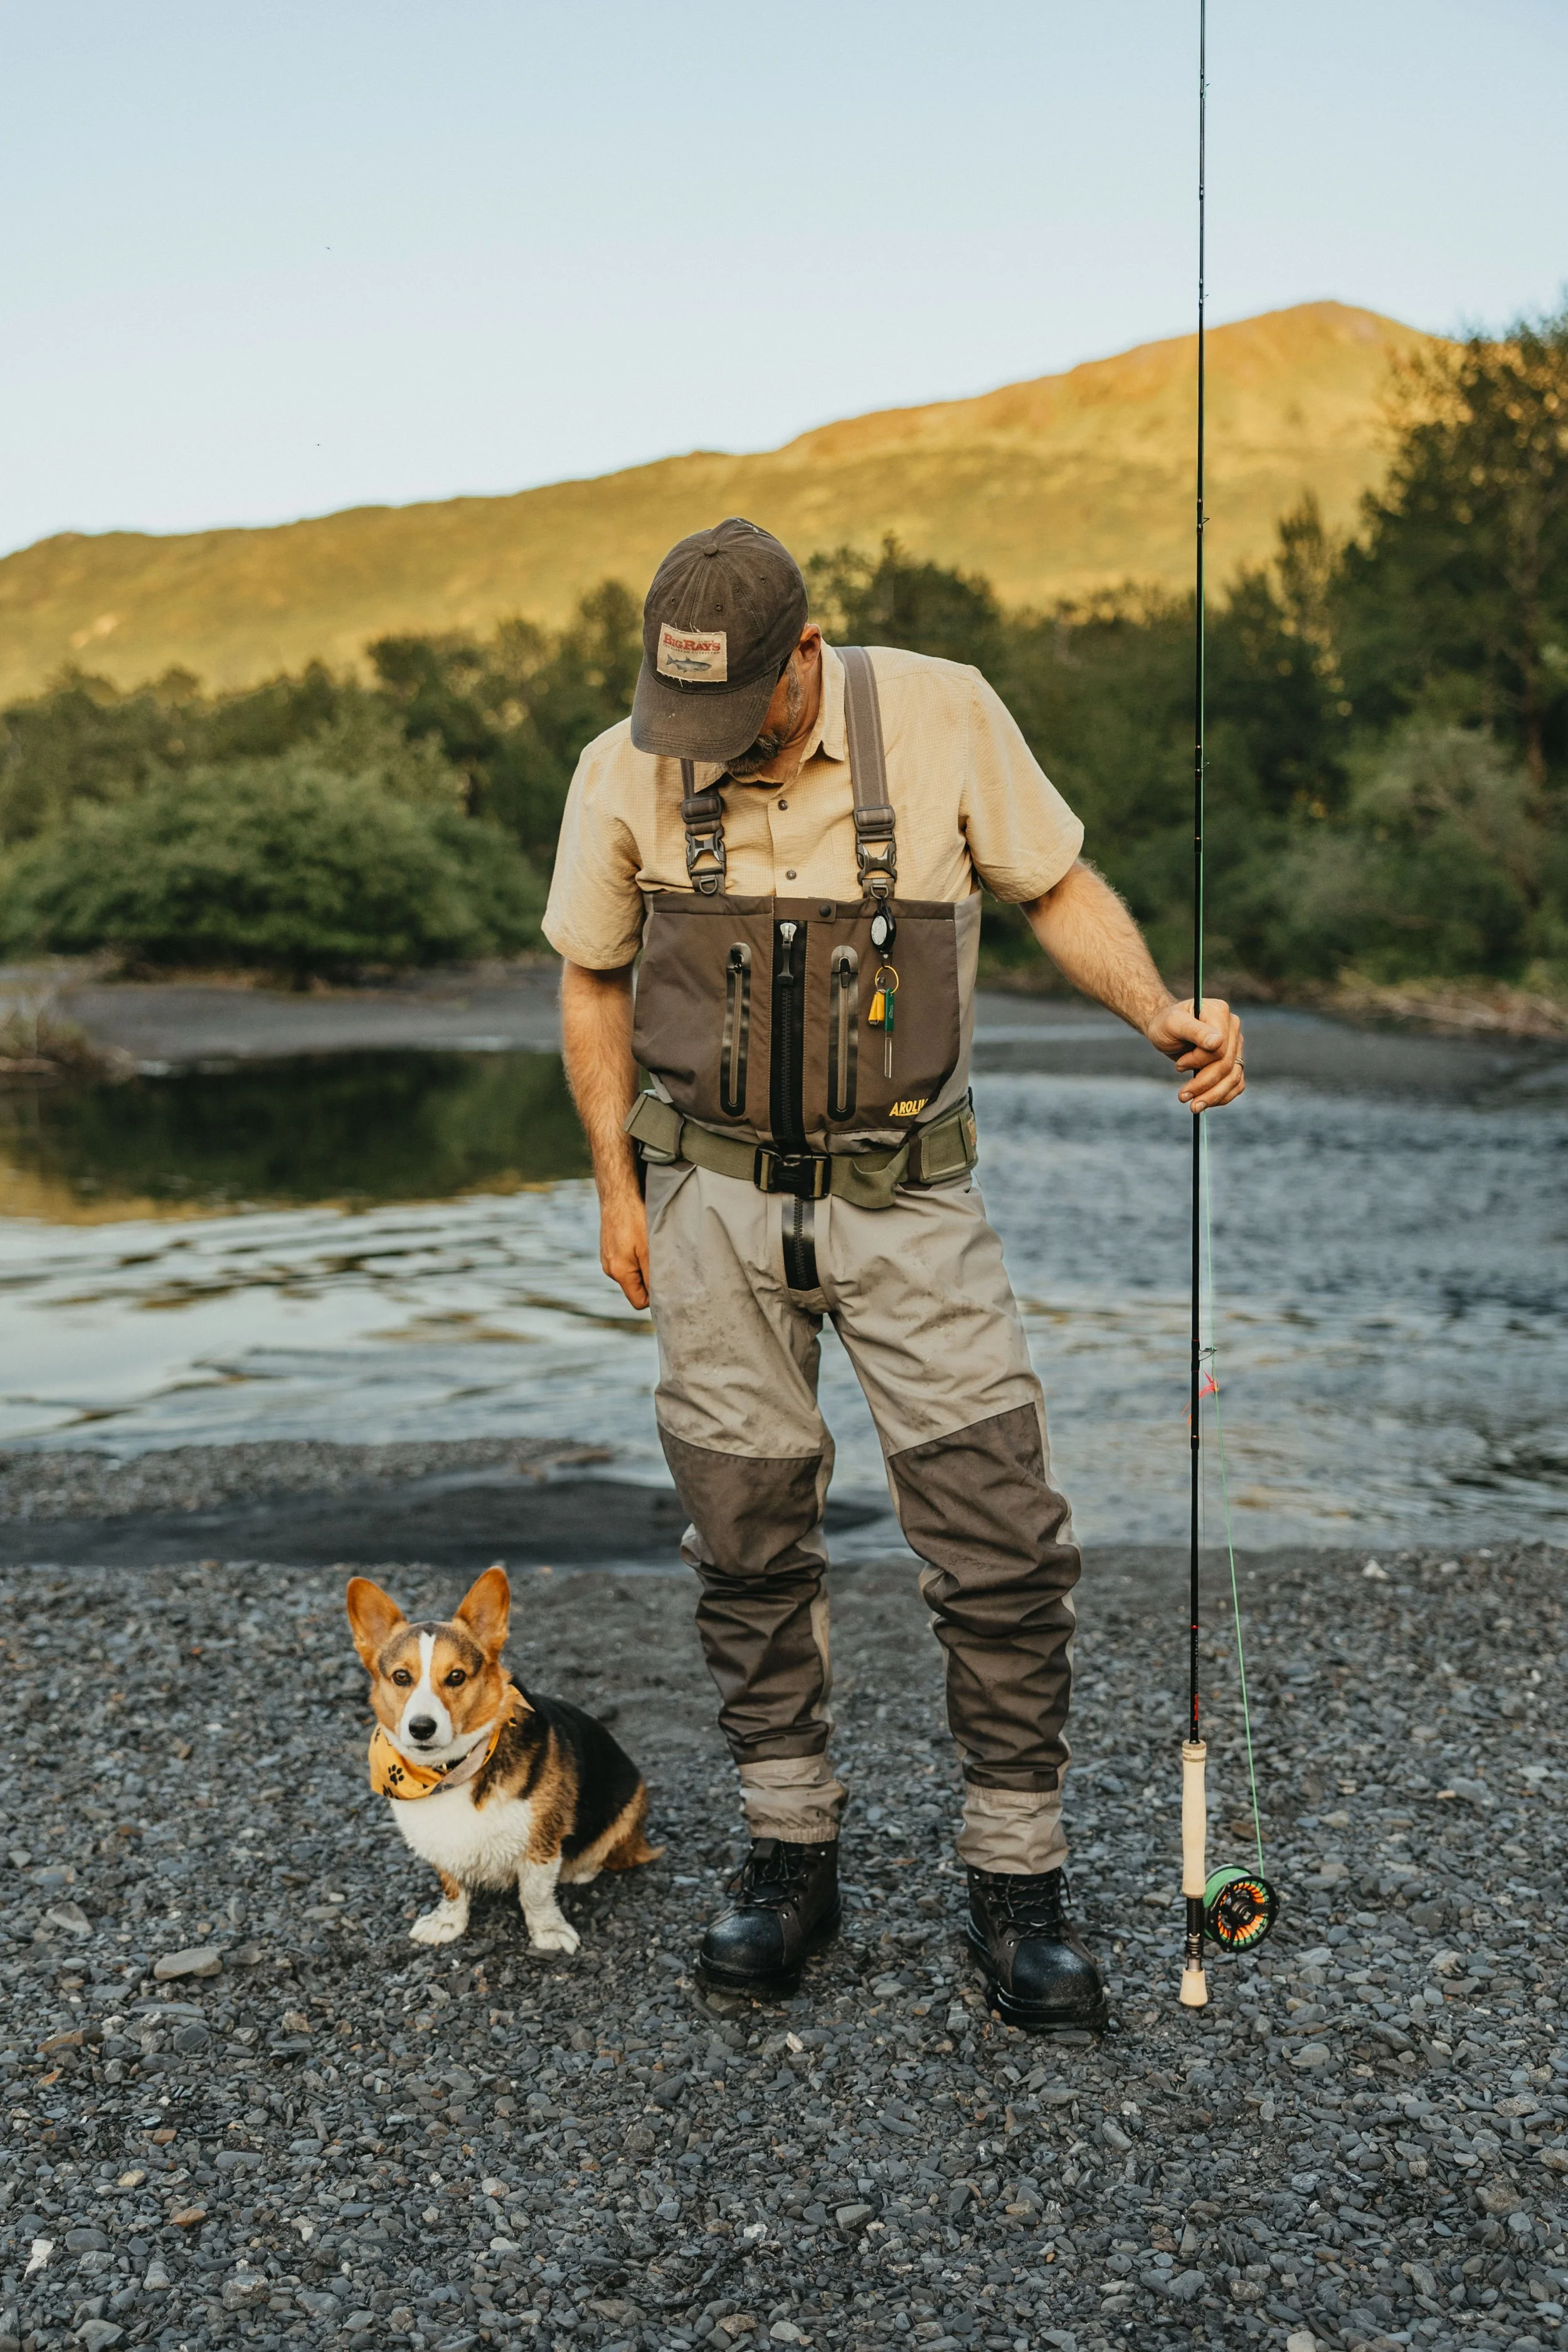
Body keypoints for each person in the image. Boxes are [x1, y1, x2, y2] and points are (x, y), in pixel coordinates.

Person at [546, 518, 1243, 2028]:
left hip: (910, 1200)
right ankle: (790, 1856)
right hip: (708, 1204)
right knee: (743, 1539)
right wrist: (618, 1192)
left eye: (738, 716)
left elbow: (1054, 884)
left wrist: (1156, 1011)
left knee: (999, 1540)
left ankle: (1015, 1882)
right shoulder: (623, 763)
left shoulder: (942, 710)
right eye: (689, 724)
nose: (708, 748)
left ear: (804, 653)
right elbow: (592, 975)